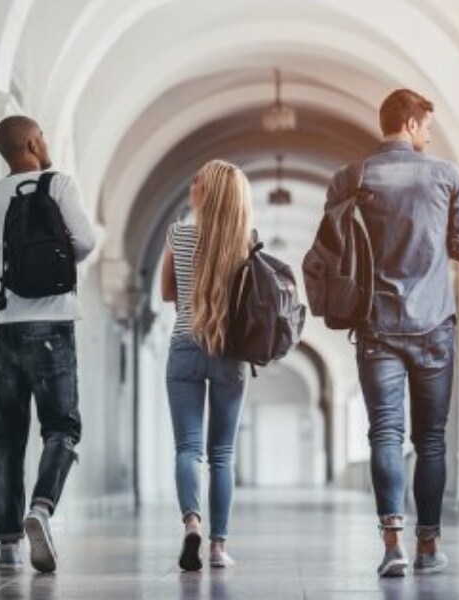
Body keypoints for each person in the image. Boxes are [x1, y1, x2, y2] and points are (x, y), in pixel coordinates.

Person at [325, 89, 459, 577]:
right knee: (430, 439)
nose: (428, 135)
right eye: (426, 126)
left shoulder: (350, 178)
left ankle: (393, 546)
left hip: (377, 326)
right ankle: (428, 546)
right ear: (410, 124)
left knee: (385, 434)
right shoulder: (447, 176)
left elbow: (333, 250)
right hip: (434, 327)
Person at [0, 115, 98, 573]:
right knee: (61, 427)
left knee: (7, 438)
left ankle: (7, 546)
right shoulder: (57, 185)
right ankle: (41, 509)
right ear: (31, 143)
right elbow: (87, 241)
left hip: (2, 328)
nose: (44, 142)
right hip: (53, 323)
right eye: (41, 135)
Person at [160, 159, 253, 571]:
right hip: (229, 352)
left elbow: (167, 293)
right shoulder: (245, 242)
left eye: (196, 179)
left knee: (188, 449)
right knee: (222, 454)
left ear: (207, 192)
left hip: (185, 344)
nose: (191, 182)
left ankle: (192, 524)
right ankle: (217, 547)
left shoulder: (177, 234)